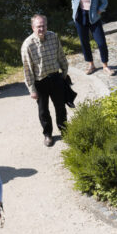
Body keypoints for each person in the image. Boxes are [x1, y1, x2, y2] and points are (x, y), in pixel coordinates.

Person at [21, 14, 70, 147]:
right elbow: (27, 70)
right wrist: (31, 89)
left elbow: (61, 55)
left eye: (43, 26)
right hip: (40, 82)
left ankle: (64, 130)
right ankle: (47, 134)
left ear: (46, 26)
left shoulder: (53, 37)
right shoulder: (27, 45)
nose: (41, 29)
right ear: (33, 28)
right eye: (38, 27)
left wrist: (64, 71)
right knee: (43, 110)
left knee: (60, 106)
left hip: (56, 77)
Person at [71, 0, 114, 76]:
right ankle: (91, 65)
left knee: (101, 43)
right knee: (84, 43)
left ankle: (105, 65)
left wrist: (99, 11)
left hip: (94, 17)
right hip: (80, 17)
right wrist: (74, 11)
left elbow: (104, 2)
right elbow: (73, 1)